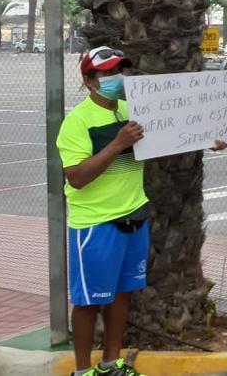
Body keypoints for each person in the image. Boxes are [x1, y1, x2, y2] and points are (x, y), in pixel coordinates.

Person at [58, 47, 152, 376]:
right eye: (108, 73)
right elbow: (77, 177)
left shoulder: (131, 110)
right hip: (96, 225)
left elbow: (164, 141)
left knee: (122, 294)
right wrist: (116, 144)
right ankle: (83, 371)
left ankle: (112, 363)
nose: (116, 79)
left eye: (121, 71)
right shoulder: (77, 122)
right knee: (88, 302)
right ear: (88, 80)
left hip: (135, 217)